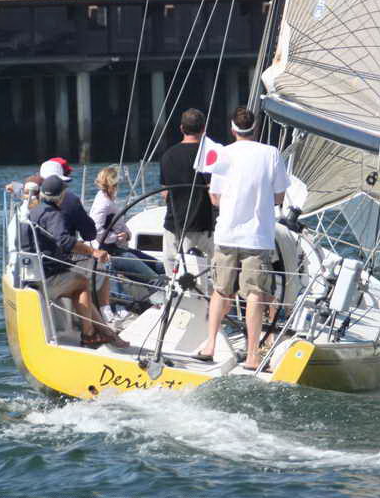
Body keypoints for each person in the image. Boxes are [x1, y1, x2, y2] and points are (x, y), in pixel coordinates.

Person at [196, 106, 289, 369]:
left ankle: (210, 345)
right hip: (257, 237)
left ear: (232, 129)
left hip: (227, 233)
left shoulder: (223, 154)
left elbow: (214, 198)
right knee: (255, 295)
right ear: (255, 128)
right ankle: (252, 355)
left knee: (220, 291)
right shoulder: (271, 153)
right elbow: (279, 196)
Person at [21, 176, 127, 349]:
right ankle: (89, 334)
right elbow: (65, 241)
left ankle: (107, 333)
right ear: (61, 196)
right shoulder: (54, 215)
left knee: (77, 285)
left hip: (32, 275)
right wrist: (93, 251)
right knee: (82, 282)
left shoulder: (34, 211)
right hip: (48, 280)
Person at [89, 165, 163, 318]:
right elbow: (97, 232)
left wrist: (127, 235)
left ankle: (160, 303)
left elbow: (119, 223)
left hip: (120, 249)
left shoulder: (108, 199)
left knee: (160, 267)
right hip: (110, 253)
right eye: (117, 184)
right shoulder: (103, 204)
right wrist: (116, 237)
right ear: (113, 185)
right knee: (154, 279)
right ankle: (161, 308)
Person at [159, 108, 215, 276]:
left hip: (174, 224)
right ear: (204, 129)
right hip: (202, 226)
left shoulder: (168, 156)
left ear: (181, 128)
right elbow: (215, 192)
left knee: (173, 276)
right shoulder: (209, 156)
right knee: (207, 274)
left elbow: (165, 193)